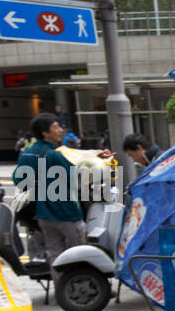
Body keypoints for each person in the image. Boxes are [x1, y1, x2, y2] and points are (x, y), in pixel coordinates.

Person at [14, 113, 111, 282]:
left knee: (55, 255)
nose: (60, 130)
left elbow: (19, 180)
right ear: (45, 132)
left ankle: (61, 288)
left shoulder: (27, 154)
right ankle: (78, 286)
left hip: (44, 214)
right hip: (67, 213)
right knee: (78, 254)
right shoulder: (53, 155)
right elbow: (77, 178)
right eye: (56, 127)